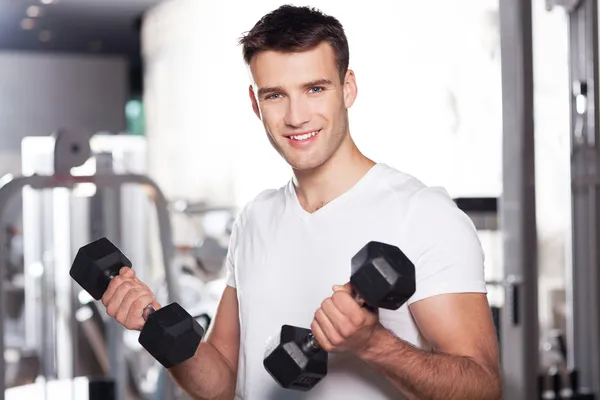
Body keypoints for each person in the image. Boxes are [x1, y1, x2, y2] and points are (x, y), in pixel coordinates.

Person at [101, 4, 502, 400]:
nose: (296, 116)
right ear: (256, 105)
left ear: (348, 88)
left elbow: (482, 386)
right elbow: (223, 381)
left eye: (315, 88)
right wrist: (153, 323)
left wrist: (372, 344)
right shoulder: (255, 218)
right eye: (275, 95)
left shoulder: (422, 214)